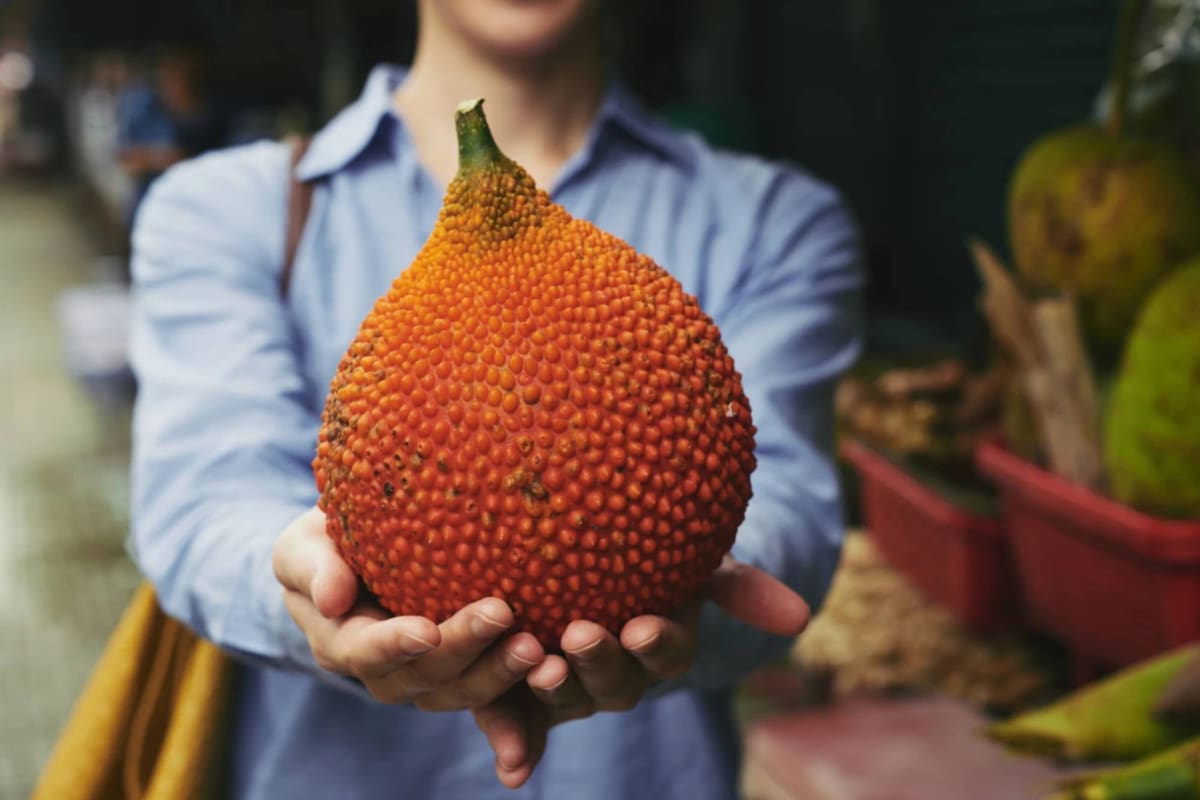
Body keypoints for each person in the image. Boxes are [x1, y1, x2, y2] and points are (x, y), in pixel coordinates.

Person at [128, 1, 864, 797]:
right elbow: (204, 504)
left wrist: (704, 599)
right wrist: (314, 600)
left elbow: (788, 504)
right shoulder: (222, 206)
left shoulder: (776, 221)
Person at [116, 44, 228, 221]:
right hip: (150, 210)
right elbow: (127, 159)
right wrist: (165, 158)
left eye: (186, 78)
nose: (176, 84)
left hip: (197, 211)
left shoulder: (210, 116)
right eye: (169, 76)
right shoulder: (145, 109)